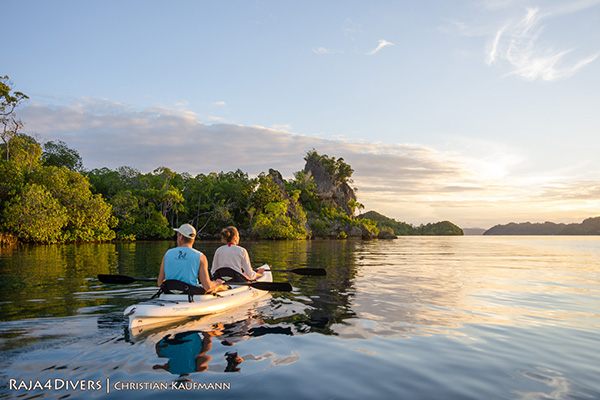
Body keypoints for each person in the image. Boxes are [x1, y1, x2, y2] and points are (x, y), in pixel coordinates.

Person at [157, 223, 225, 293]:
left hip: (169, 295)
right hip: (190, 296)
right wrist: (217, 284)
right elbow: (207, 287)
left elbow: (160, 283)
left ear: (181, 237)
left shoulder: (167, 254)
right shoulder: (201, 257)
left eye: (177, 235)